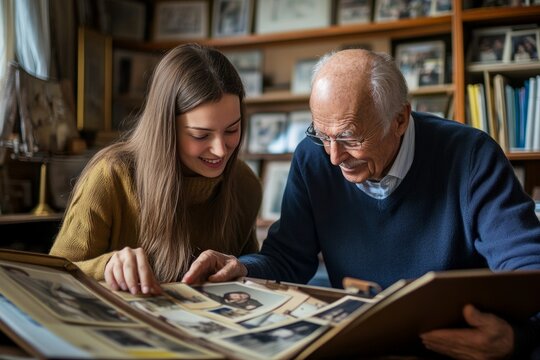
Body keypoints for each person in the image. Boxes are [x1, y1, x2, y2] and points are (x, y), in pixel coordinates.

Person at [182, 49, 540, 358]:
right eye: (322, 135)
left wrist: (516, 339)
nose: (335, 157)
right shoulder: (313, 158)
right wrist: (241, 268)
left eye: (350, 137)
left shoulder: (471, 155)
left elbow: (527, 270)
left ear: (400, 119)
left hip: (453, 348)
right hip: (364, 346)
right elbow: (288, 256)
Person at [49, 44, 262, 296]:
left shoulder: (244, 182)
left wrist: (241, 268)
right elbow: (54, 279)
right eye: (200, 135)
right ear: (166, 129)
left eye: (232, 130)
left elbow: (249, 273)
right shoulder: (110, 176)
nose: (220, 150)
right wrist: (106, 266)